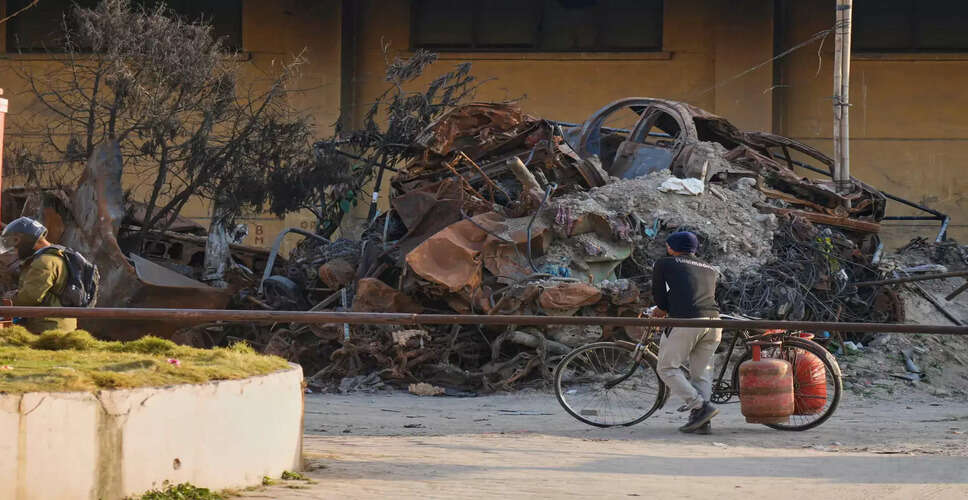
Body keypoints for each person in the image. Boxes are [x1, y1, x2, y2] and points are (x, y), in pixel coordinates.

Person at [652, 231, 722, 434]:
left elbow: (661, 301)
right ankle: (702, 422)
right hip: (714, 322)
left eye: (668, 245)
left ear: (673, 247)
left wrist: (660, 310)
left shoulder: (665, 263)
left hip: (687, 321)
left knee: (666, 367)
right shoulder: (709, 268)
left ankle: (700, 406)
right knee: (702, 374)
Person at [2, 217, 77, 333]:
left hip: (48, 329)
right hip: (60, 326)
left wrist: (7, 298)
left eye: (15, 245)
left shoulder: (44, 262)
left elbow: (29, 298)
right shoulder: (58, 255)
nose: (15, 251)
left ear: (25, 241)